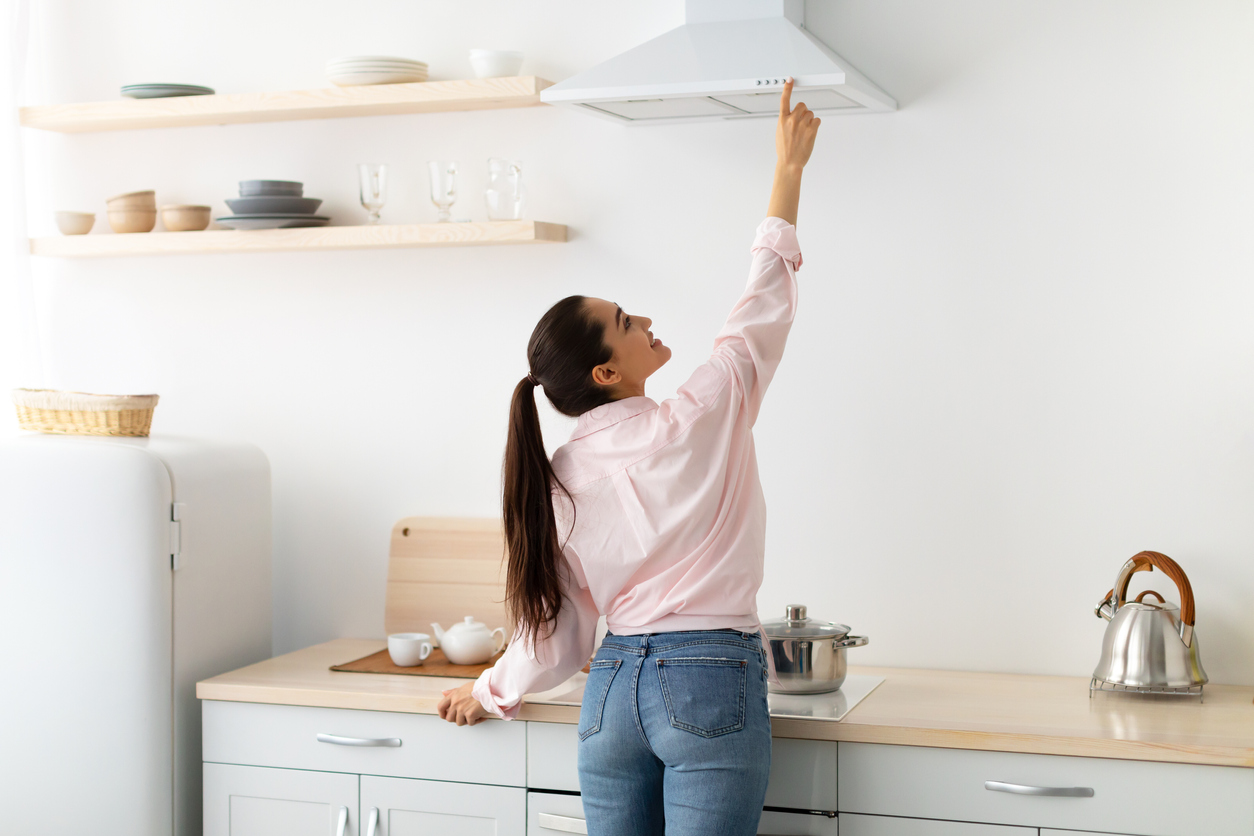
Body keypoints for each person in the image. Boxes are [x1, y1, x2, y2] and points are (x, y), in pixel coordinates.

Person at [438, 78, 820, 836]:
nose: (644, 319)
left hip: (611, 691)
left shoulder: (559, 481)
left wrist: (488, 691)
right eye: (624, 321)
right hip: (711, 679)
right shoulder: (702, 412)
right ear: (607, 373)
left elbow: (559, 633)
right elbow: (760, 310)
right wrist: (787, 174)